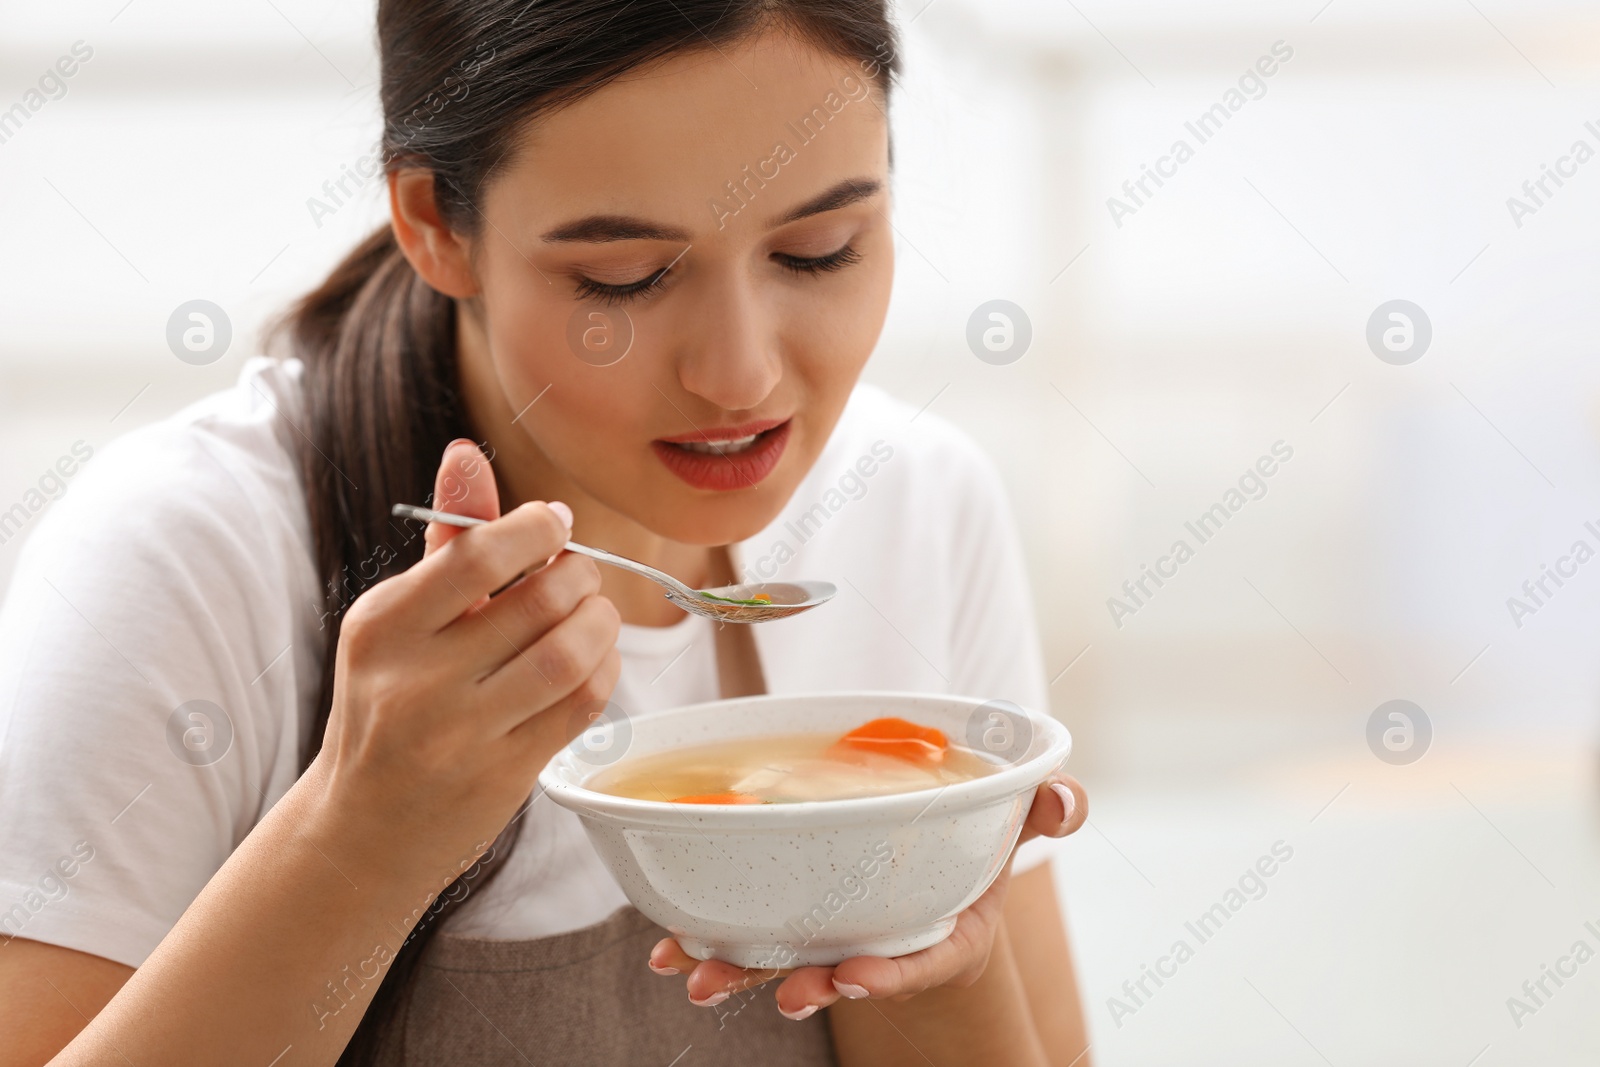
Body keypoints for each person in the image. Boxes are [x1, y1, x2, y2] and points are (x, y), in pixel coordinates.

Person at [0, 1, 1091, 1063]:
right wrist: (356, 834)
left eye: (819, 249)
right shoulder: (187, 557)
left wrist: (930, 930)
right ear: (434, 222)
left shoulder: (915, 503)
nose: (741, 373)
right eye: (623, 277)